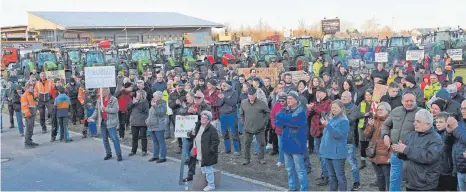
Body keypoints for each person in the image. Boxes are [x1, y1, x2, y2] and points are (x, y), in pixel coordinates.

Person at [392, 109, 443, 191]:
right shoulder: (412, 134)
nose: (414, 123)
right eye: (415, 120)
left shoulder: (435, 138)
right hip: (410, 182)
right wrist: (400, 151)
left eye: (418, 121)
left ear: (428, 124)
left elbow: (429, 157)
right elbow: (408, 154)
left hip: (425, 185)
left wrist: (406, 149)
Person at [381, 92, 420, 191]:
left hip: (411, 155)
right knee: (394, 179)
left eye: (412, 101)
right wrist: (385, 135)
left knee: (412, 181)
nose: (409, 103)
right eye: (407, 101)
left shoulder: (420, 113)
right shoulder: (395, 111)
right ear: (402, 101)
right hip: (396, 153)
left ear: (416, 101)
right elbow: (386, 125)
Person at [274, 90, 309, 191]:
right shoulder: (285, 110)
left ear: (296, 99)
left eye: (290, 98)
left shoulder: (302, 111)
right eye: (287, 98)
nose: (288, 100)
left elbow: (296, 122)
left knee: (300, 170)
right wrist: (288, 120)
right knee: (289, 169)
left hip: (297, 144)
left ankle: (304, 189)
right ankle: (292, 187)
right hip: (286, 143)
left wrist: (284, 120)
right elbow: (277, 123)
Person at [320, 100, 350, 191]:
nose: (333, 109)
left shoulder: (344, 121)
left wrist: (327, 125)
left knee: (340, 176)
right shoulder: (330, 119)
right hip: (328, 152)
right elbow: (326, 136)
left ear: (341, 108)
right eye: (332, 108)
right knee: (332, 177)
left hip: (337, 154)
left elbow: (338, 135)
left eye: (336, 108)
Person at [88, 88, 122, 161]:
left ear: (107, 91)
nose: (101, 92)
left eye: (102, 91)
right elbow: (97, 110)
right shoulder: (99, 100)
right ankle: (108, 153)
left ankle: (119, 154)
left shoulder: (113, 99)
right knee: (104, 139)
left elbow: (116, 109)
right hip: (103, 122)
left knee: (114, 139)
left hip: (111, 122)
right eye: (100, 91)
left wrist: (105, 109)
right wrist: (91, 118)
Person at [364, 102, 392, 191]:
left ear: (387, 111)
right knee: (379, 177)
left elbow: (393, 141)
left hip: (385, 155)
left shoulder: (391, 122)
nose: (379, 111)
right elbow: (366, 135)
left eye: (381, 109)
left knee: (388, 178)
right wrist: (370, 126)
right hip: (374, 153)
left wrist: (390, 156)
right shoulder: (374, 120)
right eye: (378, 109)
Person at [189, 111, 220, 191]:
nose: (202, 119)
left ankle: (211, 185)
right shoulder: (198, 125)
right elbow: (193, 135)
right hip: (199, 151)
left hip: (207, 153)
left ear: (208, 120)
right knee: (203, 168)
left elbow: (216, 141)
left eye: (204, 118)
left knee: (208, 169)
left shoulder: (212, 129)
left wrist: (210, 151)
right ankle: (205, 183)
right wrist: (191, 134)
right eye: (201, 117)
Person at [308, 87, 332, 186]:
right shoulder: (315, 103)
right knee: (320, 155)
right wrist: (310, 109)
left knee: (324, 155)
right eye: (317, 93)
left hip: (324, 132)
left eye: (320, 92)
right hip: (315, 132)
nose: (318, 94)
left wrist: (313, 107)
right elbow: (308, 115)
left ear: (325, 93)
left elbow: (324, 111)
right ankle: (324, 174)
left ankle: (327, 176)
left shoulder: (329, 102)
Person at [240, 87, 270, 165]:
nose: (251, 96)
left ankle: (261, 158)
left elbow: (267, 113)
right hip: (247, 128)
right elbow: (241, 114)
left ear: (255, 94)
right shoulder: (243, 103)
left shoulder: (261, 103)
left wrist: (264, 123)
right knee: (246, 144)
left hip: (259, 128)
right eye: (250, 95)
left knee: (261, 144)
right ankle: (246, 159)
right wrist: (243, 122)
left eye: (253, 95)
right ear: (247, 95)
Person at [341, 91, 362, 191]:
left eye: (346, 97)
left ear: (350, 98)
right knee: (339, 162)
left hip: (349, 139)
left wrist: (339, 116)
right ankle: (340, 182)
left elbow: (350, 120)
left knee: (352, 162)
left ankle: (356, 182)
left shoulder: (354, 108)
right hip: (338, 139)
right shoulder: (338, 105)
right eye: (342, 96)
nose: (343, 98)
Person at [433, 112, 458, 191]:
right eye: (436, 122)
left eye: (441, 122)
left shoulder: (451, 134)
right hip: (436, 170)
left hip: (448, 171)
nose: (438, 124)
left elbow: (447, 140)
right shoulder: (434, 134)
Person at [218, 80, 240, 155]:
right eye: (222, 85)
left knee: (234, 132)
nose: (223, 87)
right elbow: (219, 104)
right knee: (224, 133)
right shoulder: (221, 93)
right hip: (223, 114)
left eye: (224, 85)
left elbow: (233, 103)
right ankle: (227, 149)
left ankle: (237, 150)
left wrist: (224, 98)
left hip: (231, 115)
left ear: (229, 85)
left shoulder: (234, 92)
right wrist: (223, 98)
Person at [146, 91, 167, 163]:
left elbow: (160, 114)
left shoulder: (163, 104)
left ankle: (163, 157)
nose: (153, 97)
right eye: (153, 96)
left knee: (161, 142)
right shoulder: (153, 103)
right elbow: (151, 114)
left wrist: (155, 107)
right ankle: (155, 156)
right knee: (155, 141)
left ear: (160, 97)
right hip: (152, 126)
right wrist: (147, 121)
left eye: (155, 96)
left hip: (159, 126)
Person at [127, 90, 150, 157]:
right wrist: (133, 103)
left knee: (143, 137)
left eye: (138, 95)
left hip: (142, 122)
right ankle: (133, 151)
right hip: (134, 121)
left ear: (141, 95)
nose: (136, 96)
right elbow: (128, 108)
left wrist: (137, 103)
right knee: (134, 137)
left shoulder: (145, 102)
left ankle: (144, 150)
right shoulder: (133, 101)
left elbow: (143, 110)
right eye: (136, 94)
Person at [270, 92, 287, 167]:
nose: (281, 102)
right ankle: (280, 160)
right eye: (279, 101)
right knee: (281, 146)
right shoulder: (276, 105)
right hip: (279, 130)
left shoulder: (289, 106)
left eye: (283, 101)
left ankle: (288, 161)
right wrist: (274, 125)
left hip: (287, 130)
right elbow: (272, 116)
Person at [21, 83, 38, 148]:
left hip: (32, 114)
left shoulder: (30, 95)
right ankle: (27, 143)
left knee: (31, 129)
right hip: (29, 115)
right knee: (28, 129)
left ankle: (29, 141)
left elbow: (31, 104)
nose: (33, 89)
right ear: (27, 88)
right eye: (31, 88)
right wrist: (28, 114)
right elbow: (24, 106)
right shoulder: (24, 96)